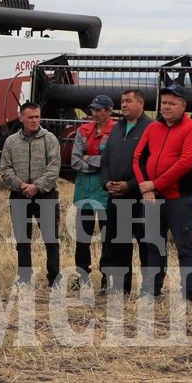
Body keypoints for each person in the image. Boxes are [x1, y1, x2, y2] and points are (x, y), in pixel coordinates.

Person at [132, 84, 192, 301]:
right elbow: (138, 157)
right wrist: (145, 186)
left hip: (179, 198)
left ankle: (188, 294)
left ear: (183, 106)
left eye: (172, 104)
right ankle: (152, 290)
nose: (166, 107)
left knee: (185, 247)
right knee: (154, 244)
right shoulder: (153, 127)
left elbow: (185, 163)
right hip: (153, 197)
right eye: (164, 103)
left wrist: (154, 184)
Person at [0, 101, 61, 287]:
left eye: (37, 117)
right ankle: (25, 278)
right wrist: (20, 185)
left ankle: (54, 278)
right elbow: (5, 168)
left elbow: (54, 167)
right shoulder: (11, 141)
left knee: (51, 239)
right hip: (19, 195)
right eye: (30, 117)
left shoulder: (50, 139)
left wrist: (37, 186)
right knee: (22, 241)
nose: (34, 120)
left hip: (45, 195)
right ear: (21, 118)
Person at [99, 89, 154, 295]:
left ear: (141, 104)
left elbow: (150, 163)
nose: (124, 105)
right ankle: (122, 288)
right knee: (119, 243)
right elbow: (105, 159)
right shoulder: (116, 127)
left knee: (145, 243)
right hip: (116, 196)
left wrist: (129, 185)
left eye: (129, 101)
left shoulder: (151, 127)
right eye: (122, 101)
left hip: (140, 197)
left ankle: (148, 289)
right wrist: (106, 183)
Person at [70, 94, 116, 290]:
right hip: (85, 193)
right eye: (93, 109)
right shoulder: (83, 130)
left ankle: (107, 278)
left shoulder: (116, 131)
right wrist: (97, 162)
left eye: (99, 109)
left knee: (108, 238)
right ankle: (82, 276)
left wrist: (89, 159)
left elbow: (111, 161)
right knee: (82, 238)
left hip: (106, 193)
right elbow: (74, 160)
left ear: (109, 111)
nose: (94, 113)